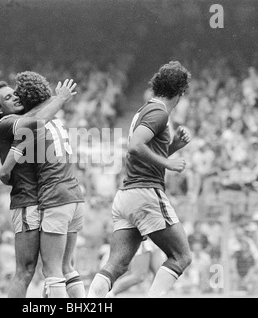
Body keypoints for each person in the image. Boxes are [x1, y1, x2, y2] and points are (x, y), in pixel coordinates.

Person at [87, 61, 192, 298]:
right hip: (146, 193)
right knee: (181, 256)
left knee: (117, 266)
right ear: (181, 92)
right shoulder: (159, 113)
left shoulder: (145, 110)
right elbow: (134, 146)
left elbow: (141, 151)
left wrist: (173, 147)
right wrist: (169, 163)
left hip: (126, 196)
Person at [0, 77, 77, 297]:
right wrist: (60, 98)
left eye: (15, 93)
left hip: (45, 199)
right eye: (8, 97)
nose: (15, 97)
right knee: (25, 271)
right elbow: (37, 121)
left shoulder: (22, 125)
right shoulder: (6, 123)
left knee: (53, 268)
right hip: (27, 202)